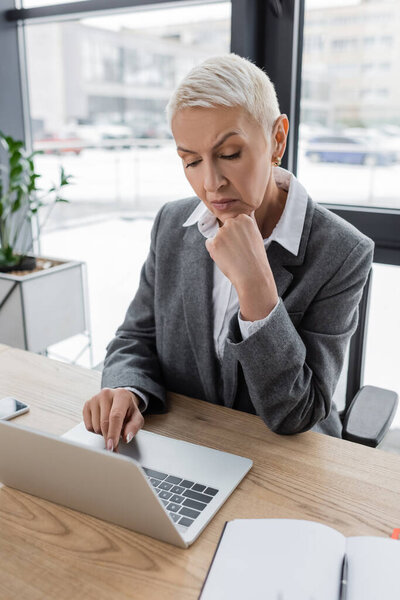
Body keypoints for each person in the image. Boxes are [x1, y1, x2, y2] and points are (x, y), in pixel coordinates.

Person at [83, 53, 374, 452]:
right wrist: (127, 388)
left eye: (230, 154)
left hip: (286, 462)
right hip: (186, 445)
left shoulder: (343, 251)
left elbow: (299, 413)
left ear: (277, 139)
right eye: (191, 161)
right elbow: (136, 336)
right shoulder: (172, 223)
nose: (211, 183)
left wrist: (257, 290)